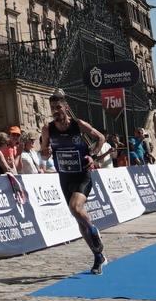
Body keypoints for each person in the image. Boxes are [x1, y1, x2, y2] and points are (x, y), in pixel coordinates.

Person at [40, 93, 108, 274]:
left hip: (82, 174)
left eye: (58, 107)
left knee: (76, 207)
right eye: (53, 108)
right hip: (64, 176)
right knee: (78, 218)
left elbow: (101, 138)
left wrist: (92, 155)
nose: (55, 111)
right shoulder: (47, 129)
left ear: (66, 107)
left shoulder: (78, 125)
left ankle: (93, 230)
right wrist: (45, 151)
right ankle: (97, 256)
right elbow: (44, 154)